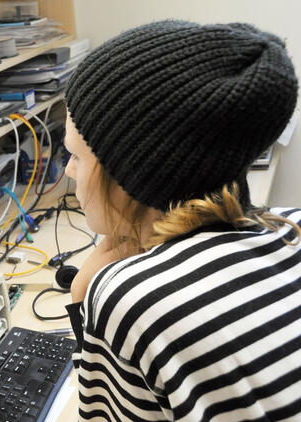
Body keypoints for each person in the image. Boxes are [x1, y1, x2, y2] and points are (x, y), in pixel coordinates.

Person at [63, 21, 300, 421]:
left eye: (76, 156)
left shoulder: (132, 300)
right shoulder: (291, 227)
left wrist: (82, 296)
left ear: (132, 172)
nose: (69, 171)